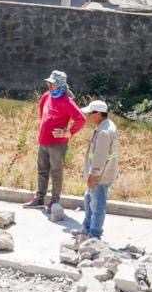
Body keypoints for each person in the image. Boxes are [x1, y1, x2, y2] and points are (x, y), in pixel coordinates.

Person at [24, 70, 85, 213]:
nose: (50, 85)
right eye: (49, 83)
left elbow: (81, 119)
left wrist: (68, 132)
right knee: (42, 170)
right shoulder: (46, 96)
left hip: (58, 144)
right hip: (43, 141)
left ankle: (54, 201)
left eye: (53, 84)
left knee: (56, 173)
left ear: (61, 85)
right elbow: (42, 113)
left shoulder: (67, 101)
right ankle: (39, 199)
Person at [79, 99, 119, 240]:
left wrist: (93, 176)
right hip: (99, 173)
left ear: (98, 114)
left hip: (100, 176)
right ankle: (87, 228)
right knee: (89, 199)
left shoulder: (104, 132)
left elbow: (100, 158)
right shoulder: (105, 125)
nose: (87, 116)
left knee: (97, 205)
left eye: (89, 113)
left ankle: (94, 234)